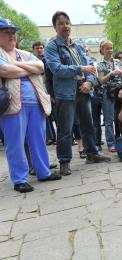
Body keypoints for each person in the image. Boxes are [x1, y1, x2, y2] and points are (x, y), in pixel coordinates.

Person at [45, 11, 110, 176]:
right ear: (55, 27)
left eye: (67, 22)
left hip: (84, 90)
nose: (65, 26)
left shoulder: (78, 46)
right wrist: (81, 69)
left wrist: (89, 82)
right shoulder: (52, 46)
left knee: (88, 124)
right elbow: (57, 69)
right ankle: (65, 161)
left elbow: (91, 67)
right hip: (65, 93)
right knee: (65, 129)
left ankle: (92, 154)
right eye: (61, 23)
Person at [0, 17, 61, 193]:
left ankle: (44, 172)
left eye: (13, 32)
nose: (12, 35)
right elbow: (3, 70)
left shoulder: (22, 53)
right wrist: (28, 68)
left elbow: (40, 66)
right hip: (11, 104)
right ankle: (19, 179)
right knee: (15, 143)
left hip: (36, 102)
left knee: (39, 140)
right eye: (6, 32)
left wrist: (16, 65)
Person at [97, 40, 122, 152]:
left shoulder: (118, 61)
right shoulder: (100, 64)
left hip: (120, 91)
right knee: (109, 120)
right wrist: (111, 73)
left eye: (111, 48)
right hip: (108, 92)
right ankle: (111, 143)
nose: (110, 50)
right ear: (102, 50)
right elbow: (101, 81)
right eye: (107, 48)